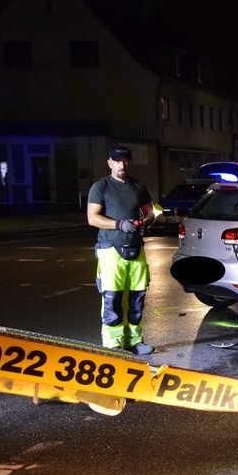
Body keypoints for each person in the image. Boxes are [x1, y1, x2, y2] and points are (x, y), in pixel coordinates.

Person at [86, 146, 156, 354]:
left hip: (135, 248)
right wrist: (119, 224)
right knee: (112, 298)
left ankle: (134, 342)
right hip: (110, 250)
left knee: (137, 297)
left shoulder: (139, 186)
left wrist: (146, 221)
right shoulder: (101, 187)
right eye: (117, 161)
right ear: (109, 162)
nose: (121, 164)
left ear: (130, 162)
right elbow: (92, 218)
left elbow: (150, 212)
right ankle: (113, 345)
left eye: (125, 160)